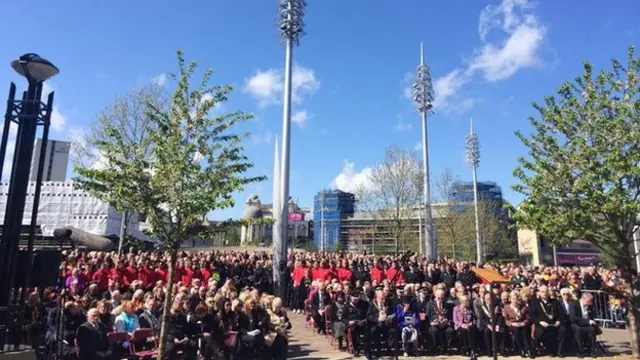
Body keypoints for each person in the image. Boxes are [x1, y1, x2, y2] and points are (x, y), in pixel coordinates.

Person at [530, 285, 562, 357]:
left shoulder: (555, 302)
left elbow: (561, 313)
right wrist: (539, 322)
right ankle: (534, 350)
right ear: (539, 293)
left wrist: (558, 321)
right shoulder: (535, 302)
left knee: (560, 331)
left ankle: (553, 350)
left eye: (546, 291)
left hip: (553, 323)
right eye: (542, 291)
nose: (544, 293)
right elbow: (532, 315)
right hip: (540, 323)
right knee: (539, 331)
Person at [367, 286, 396, 358]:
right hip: (376, 324)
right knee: (374, 331)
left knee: (392, 331)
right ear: (376, 297)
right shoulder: (372, 304)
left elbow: (393, 313)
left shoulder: (389, 303)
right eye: (381, 298)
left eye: (384, 298)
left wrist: (388, 317)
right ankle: (378, 349)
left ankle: (388, 349)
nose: (383, 300)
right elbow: (368, 316)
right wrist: (377, 319)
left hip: (386, 323)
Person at [504, 291, 531, 358]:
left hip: (521, 323)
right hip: (512, 325)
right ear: (510, 299)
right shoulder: (507, 307)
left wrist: (523, 323)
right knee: (517, 330)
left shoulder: (522, 307)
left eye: (516, 299)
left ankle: (527, 349)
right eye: (513, 299)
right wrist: (512, 324)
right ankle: (521, 349)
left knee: (524, 330)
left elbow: (527, 318)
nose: (514, 300)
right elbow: (506, 320)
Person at [571, 292, 599, 357]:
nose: (590, 303)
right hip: (576, 323)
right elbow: (573, 318)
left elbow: (591, 317)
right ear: (583, 299)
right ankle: (580, 351)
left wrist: (591, 322)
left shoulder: (589, 306)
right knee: (578, 330)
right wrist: (587, 321)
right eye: (588, 301)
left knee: (592, 330)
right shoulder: (574, 304)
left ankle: (591, 351)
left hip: (586, 323)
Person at [426, 288, 453, 354]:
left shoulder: (447, 304)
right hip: (434, 324)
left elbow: (450, 315)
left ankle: (445, 349)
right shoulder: (430, 304)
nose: (440, 300)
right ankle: (435, 349)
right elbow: (427, 316)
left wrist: (448, 321)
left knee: (449, 331)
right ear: (435, 296)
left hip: (444, 323)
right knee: (434, 331)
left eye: (442, 298)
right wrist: (431, 322)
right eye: (439, 298)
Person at [478, 291, 505, 355]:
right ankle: (489, 350)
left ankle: (501, 349)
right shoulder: (482, 307)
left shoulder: (496, 306)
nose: (489, 300)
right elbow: (482, 319)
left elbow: (500, 316)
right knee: (486, 331)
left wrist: (498, 325)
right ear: (484, 299)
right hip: (487, 325)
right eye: (487, 299)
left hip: (496, 324)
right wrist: (488, 325)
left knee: (502, 330)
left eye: (490, 298)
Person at [345, 289, 369, 358]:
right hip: (353, 325)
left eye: (357, 298)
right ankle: (356, 350)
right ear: (350, 297)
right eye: (354, 298)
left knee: (368, 330)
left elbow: (369, 313)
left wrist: (365, 320)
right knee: (353, 331)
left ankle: (366, 350)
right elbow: (343, 318)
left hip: (363, 323)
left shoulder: (364, 304)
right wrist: (348, 322)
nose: (355, 300)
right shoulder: (347, 306)